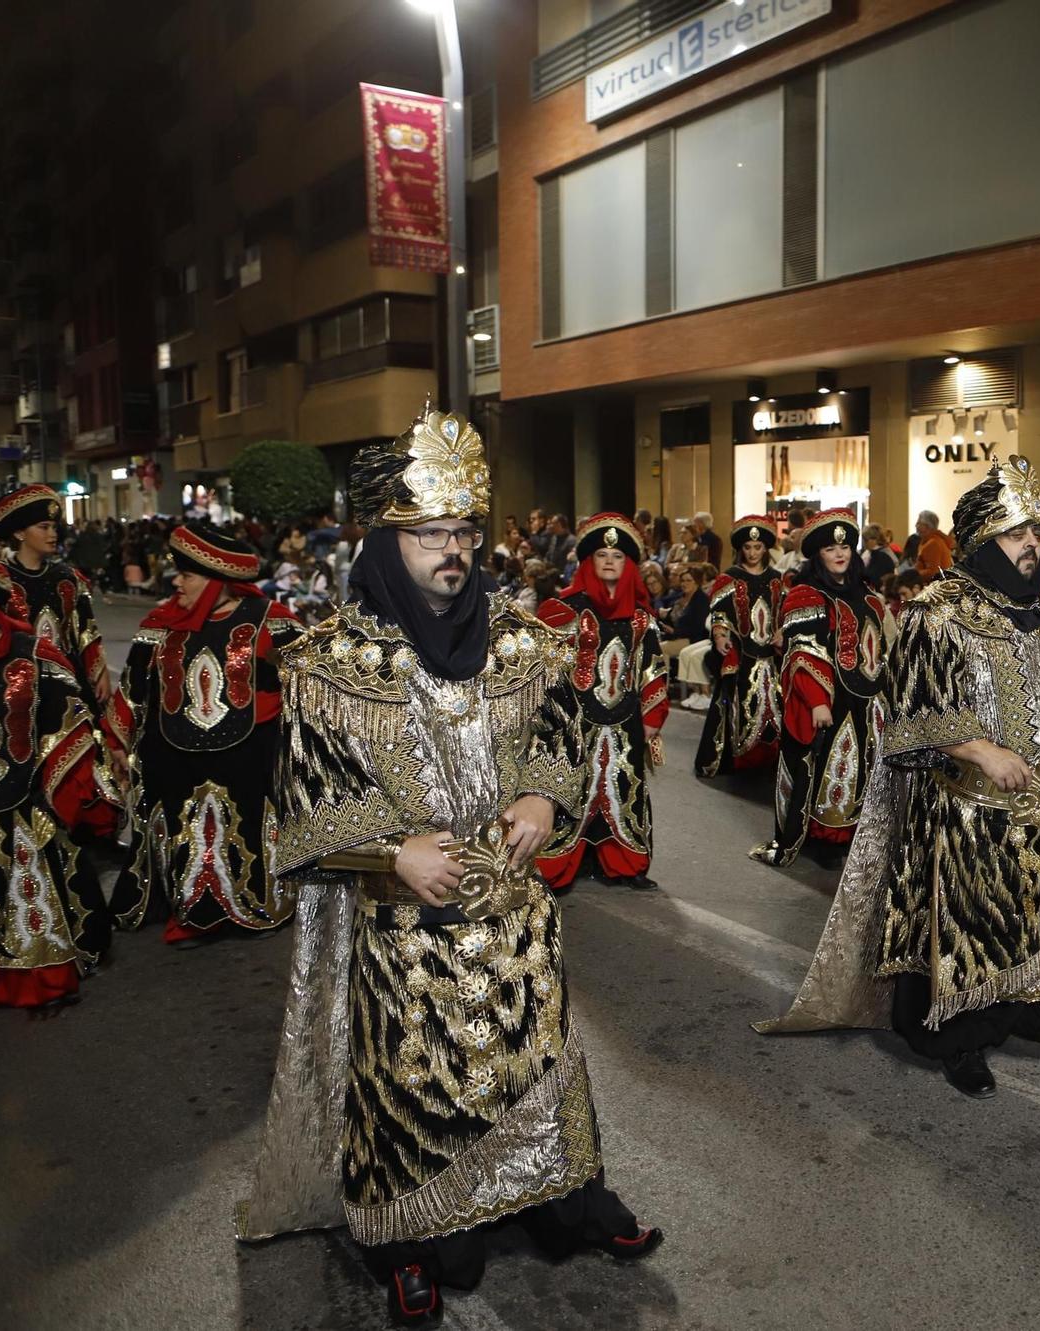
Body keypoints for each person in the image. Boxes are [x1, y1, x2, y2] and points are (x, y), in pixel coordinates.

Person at [235, 407, 660, 1326]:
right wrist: (391, 850)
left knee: (545, 1069)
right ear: (388, 542)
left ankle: (570, 1202)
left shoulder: (521, 640)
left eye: (464, 529)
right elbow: (295, 818)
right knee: (419, 1102)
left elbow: (559, 732)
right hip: (407, 944)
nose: (454, 549)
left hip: (518, 925)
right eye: (431, 532)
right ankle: (410, 1239)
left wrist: (546, 798)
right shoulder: (330, 664)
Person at [755, 456, 1040, 1098]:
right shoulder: (936, 613)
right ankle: (960, 1041)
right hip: (971, 818)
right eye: (1018, 535)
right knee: (974, 932)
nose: (1033, 547)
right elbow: (906, 717)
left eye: (1036, 535)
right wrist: (978, 750)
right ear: (983, 539)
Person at [108, 522, 303, 945]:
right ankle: (194, 909)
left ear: (216, 582)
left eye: (187, 575)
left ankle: (251, 902)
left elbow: (306, 689)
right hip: (174, 756)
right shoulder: (161, 625)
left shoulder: (274, 623)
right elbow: (133, 692)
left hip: (251, 756)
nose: (176, 582)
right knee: (186, 830)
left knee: (247, 827)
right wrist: (117, 744)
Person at [0, 564, 121, 1009]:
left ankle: (39, 964)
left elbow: (68, 722)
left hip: (23, 798)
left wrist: (61, 785)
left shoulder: (33, 657)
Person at [533, 514, 669, 892]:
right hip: (573, 725)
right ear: (588, 561)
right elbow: (544, 674)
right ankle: (556, 866)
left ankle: (625, 864)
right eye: (602, 554)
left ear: (629, 566)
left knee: (625, 787)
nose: (610, 560)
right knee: (570, 792)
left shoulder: (642, 619)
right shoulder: (561, 611)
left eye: (618, 556)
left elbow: (653, 671)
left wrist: (654, 715)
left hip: (626, 722)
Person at [749, 510, 889, 867]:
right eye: (830, 548)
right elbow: (803, 651)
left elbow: (883, 647)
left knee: (865, 770)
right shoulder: (805, 595)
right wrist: (816, 702)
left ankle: (856, 833)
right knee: (827, 769)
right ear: (818, 555)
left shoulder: (869, 595)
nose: (840, 553)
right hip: (830, 701)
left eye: (844, 547)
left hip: (869, 700)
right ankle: (825, 837)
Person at [0, 483, 111, 717]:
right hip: (16, 686)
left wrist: (100, 673)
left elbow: (85, 632)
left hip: (69, 683)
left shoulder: (68, 578)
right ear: (19, 533)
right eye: (44, 527)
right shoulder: (0, 579)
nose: (52, 534)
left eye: (54, 527)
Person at [696, 516, 785, 777]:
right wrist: (721, 636)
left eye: (758, 548)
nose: (753, 553)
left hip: (771, 657)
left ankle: (772, 758)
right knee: (739, 703)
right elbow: (720, 613)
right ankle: (740, 758)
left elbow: (784, 613)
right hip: (742, 654)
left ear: (766, 548)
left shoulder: (777, 579)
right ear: (740, 550)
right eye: (747, 548)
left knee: (776, 704)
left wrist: (783, 631)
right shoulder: (729, 579)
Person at [912, 509, 953, 577]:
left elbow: (933, 572)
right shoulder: (932, 541)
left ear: (928, 526)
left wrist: (914, 574)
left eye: (919, 523)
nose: (916, 526)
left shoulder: (933, 544)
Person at [860, 522, 895, 587]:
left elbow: (873, 577)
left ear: (875, 540)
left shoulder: (882, 556)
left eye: (865, 540)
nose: (864, 543)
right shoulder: (872, 553)